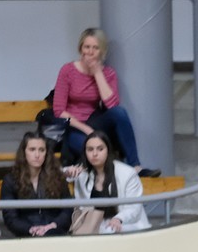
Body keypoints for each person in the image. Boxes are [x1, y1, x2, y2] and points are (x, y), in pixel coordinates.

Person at [52, 28, 159, 177]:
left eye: (95, 48)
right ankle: (117, 173)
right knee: (94, 149)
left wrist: (97, 73)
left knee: (120, 113)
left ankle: (135, 167)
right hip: (74, 126)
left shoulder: (108, 73)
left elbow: (112, 105)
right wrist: (86, 129)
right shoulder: (68, 70)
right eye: (87, 47)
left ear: (101, 51)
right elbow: (59, 111)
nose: (90, 52)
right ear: (80, 48)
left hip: (96, 121)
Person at [68, 131, 150, 235]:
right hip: (96, 225)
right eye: (90, 149)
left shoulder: (128, 173)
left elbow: (134, 207)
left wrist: (118, 219)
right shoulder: (83, 174)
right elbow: (60, 173)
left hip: (126, 225)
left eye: (100, 149)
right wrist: (68, 172)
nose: (95, 154)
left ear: (108, 150)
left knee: (109, 231)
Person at [0, 132, 71, 238]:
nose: (37, 155)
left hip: (54, 232)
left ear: (46, 153)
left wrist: (53, 225)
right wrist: (30, 229)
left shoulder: (58, 177)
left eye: (41, 150)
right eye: (32, 150)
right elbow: (10, 217)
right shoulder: (11, 180)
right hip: (24, 234)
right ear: (24, 152)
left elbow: (67, 209)